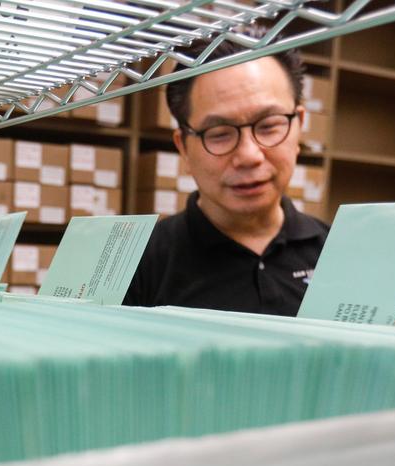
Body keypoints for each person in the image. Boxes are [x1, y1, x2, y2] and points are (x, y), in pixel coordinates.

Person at [124, 43, 329, 316]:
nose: (249, 155)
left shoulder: (338, 254)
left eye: (269, 126)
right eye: (219, 133)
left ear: (298, 127)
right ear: (183, 147)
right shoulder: (136, 267)